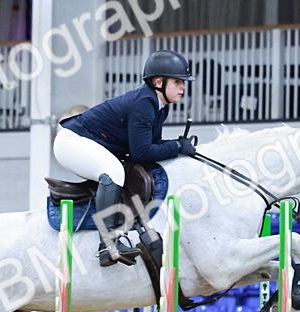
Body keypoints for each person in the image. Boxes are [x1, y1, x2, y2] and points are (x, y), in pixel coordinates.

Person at [52, 49, 197, 266]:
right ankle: (108, 244)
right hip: (71, 143)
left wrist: (176, 145)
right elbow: (142, 152)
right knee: (113, 171)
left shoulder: (159, 107)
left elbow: (149, 148)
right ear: (159, 82)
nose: (183, 87)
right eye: (178, 81)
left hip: (86, 142)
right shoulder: (144, 104)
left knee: (116, 169)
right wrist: (176, 146)